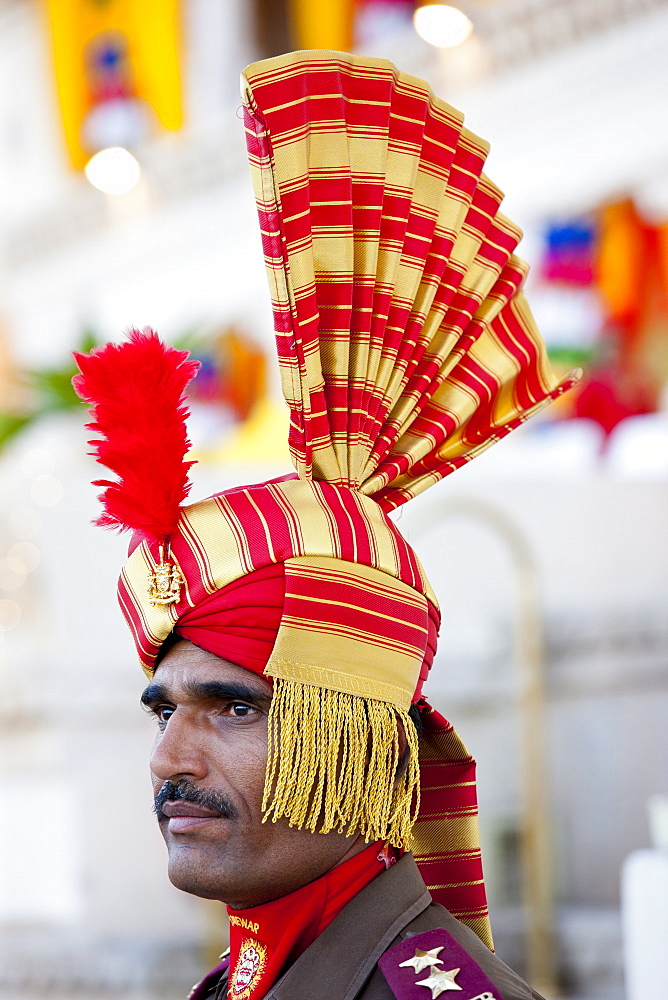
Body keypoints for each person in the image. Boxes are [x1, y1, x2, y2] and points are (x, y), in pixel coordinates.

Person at [74, 50, 579, 1000]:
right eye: (164, 708)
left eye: (235, 706)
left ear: (358, 735)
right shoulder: (249, 978)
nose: (169, 760)